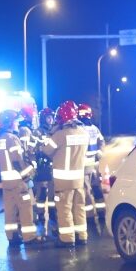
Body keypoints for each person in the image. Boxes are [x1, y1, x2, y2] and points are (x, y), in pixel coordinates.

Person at [47, 101, 89, 246]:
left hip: (63, 182)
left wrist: (53, 130)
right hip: (79, 180)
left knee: (64, 210)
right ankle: (82, 235)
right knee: (79, 208)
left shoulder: (59, 135)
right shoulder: (84, 133)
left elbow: (46, 151)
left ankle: (67, 239)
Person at [0, 110, 39, 245]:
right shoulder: (12, 138)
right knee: (25, 208)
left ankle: (12, 238)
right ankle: (29, 237)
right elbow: (17, 160)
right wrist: (29, 173)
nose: (17, 124)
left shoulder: (1, 139)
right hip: (18, 181)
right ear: (9, 123)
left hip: (7, 182)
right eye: (16, 121)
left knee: (10, 210)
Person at [77, 103, 107, 230]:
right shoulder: (95, 128)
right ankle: (101, 214)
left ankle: (89, 217)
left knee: (87, 192)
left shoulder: (79, 129)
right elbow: (102, 141)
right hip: (94, 165)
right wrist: (100, 153)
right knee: (97, 190)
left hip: (84, 167)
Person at [32, 108, 56, 225]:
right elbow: (34, 149)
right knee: (41, 192)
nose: (50, 119)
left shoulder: (55, 131)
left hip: (52, 166)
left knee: (53, 193)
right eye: (48, 117)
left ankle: (53, 213)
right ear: (43, 119)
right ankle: (40, 214)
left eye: (52, 117)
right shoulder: (37, 132)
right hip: (42, 166)